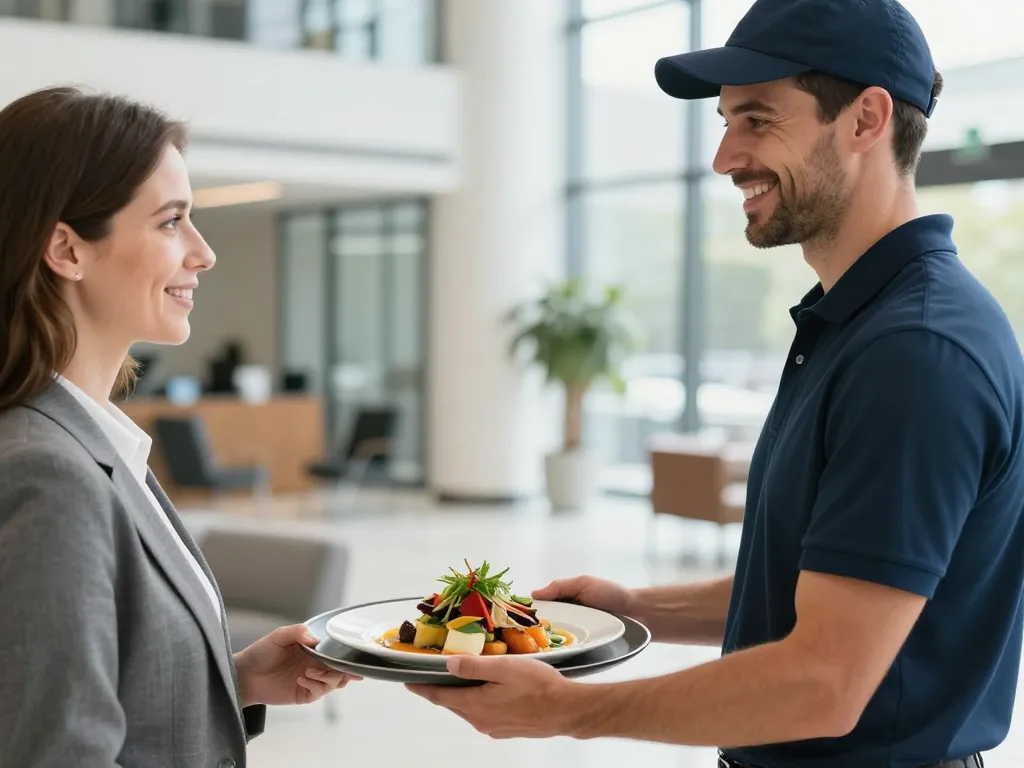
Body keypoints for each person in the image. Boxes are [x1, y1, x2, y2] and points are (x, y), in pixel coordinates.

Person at [407, 1, 1024, 766]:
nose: (725, 156)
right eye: (726, 122)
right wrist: (637, 611)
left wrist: (568, 711)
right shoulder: (861, 326)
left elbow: (825, 682)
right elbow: (823, 587)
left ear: (867, 119)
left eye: (758, 121)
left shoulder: (917, 353)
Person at [0, 86, 358, 767]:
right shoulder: (44, 472)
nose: (203, 253)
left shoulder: (90, 442)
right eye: (170, 222)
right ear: (66, 250)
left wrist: (234, 678)